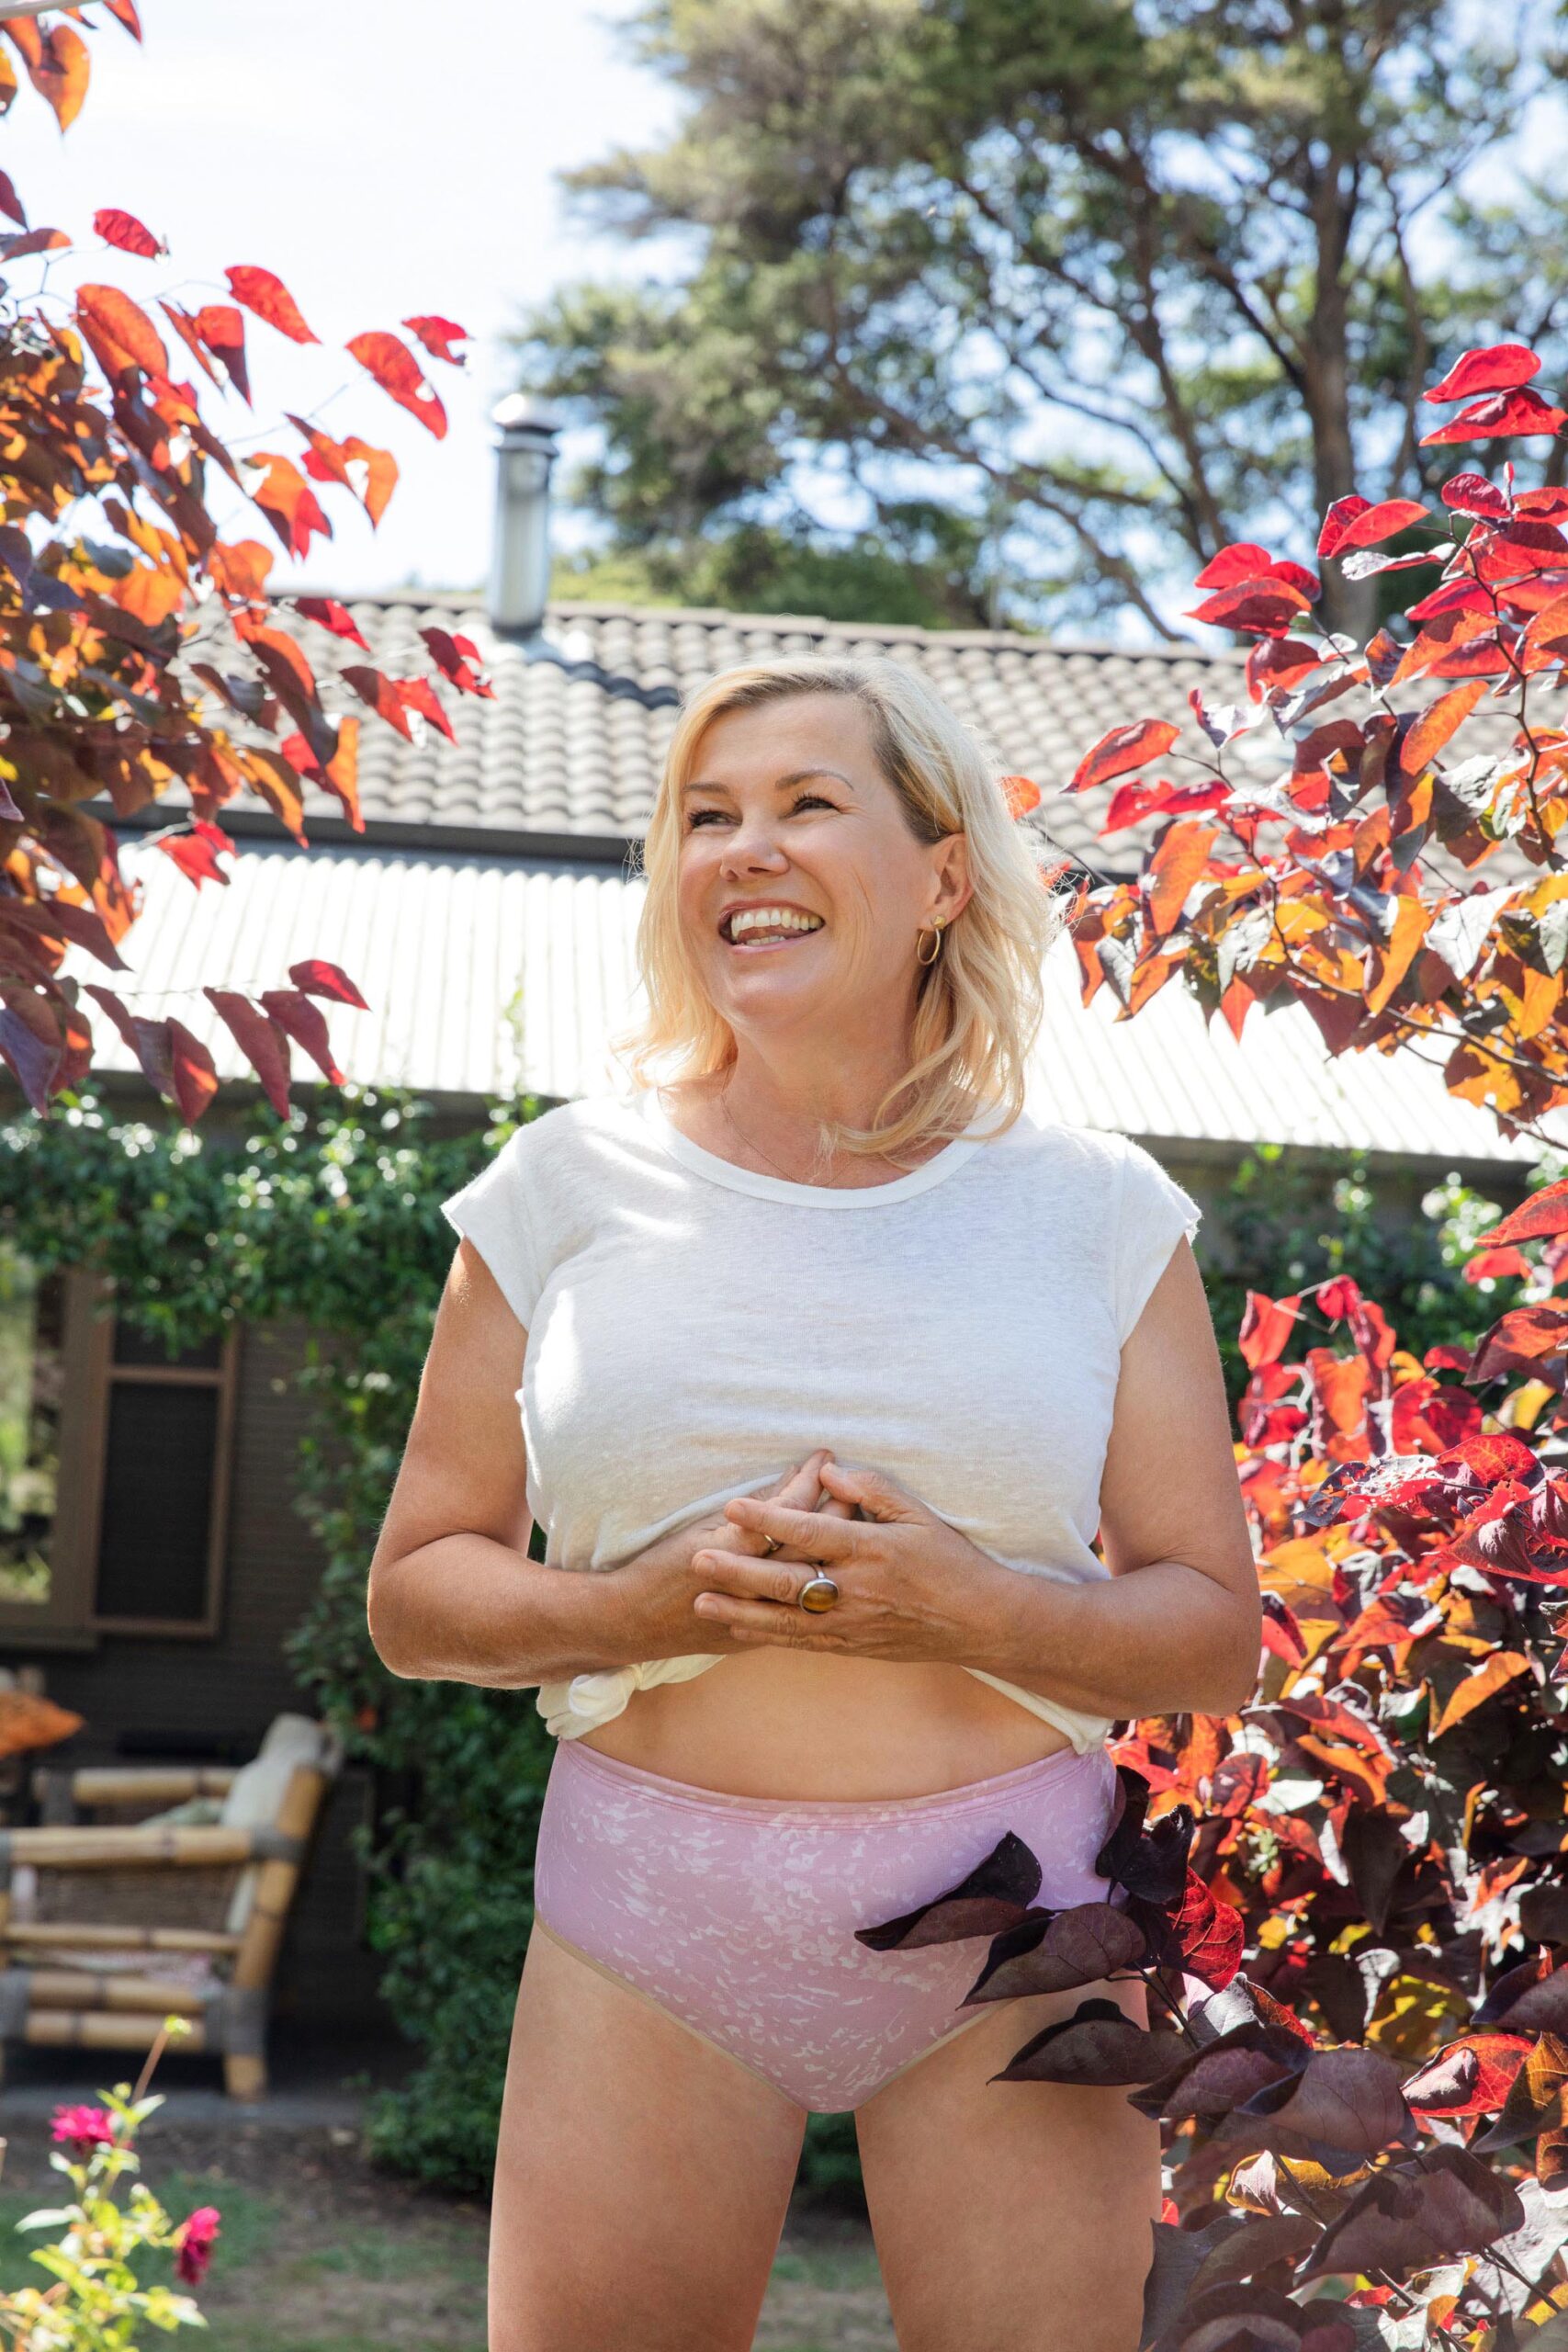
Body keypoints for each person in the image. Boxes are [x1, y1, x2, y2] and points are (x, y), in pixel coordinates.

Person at [366, 651, 1259, 2352]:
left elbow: (1216, 1637)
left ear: (940, 875)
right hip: (650, 1915)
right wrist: (635, 1608)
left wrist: (974, 1610)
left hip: (1017, 1926)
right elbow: (416, 1592)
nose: (741, 851)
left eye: (804, 805)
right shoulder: (559, 1187)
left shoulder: (1097, 1214)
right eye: (706, 818)